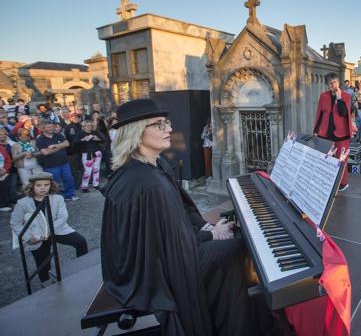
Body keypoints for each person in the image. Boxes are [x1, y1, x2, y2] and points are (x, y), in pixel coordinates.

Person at [101, 99, 271, 336]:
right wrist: (209, 234)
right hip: (153, 272)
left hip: (144, 260)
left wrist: (207, 229)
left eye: (167, 123)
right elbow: (171, 247)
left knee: (233, 238)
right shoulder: (149, 184)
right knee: (240, 248)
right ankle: (239, 326)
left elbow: (177, 219)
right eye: (159, 125)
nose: (169, 129)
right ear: (137, 133)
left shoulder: (152, 166)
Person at [10, 172, 88, 285]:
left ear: (51, 185)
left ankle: (83, 269)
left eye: (46, 185)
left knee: (80, 241)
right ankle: (47, 285)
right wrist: (28, 238)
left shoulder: (57, 199)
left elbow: (63, 217)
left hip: (57, 230)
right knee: (43, 264)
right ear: (32, 186)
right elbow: (15, 223)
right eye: (39, 185)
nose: (43, 188)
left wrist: (49, 230)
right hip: (36, 236)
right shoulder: (22, 203)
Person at [313, 73, 354, 191]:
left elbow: (343, 113)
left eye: (335, 82)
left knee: (341, 159)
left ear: (338, 82)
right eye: (331, 83)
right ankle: (328, 182)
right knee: (327, 158)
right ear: (327, 85)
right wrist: (316, 130)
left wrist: (339, 97)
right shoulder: (323, 96)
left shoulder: (346, 96)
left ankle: (343, 183)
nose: (333, 85)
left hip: (342, 133)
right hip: (325, 133)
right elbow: (319, 113)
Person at [35, 119, 78, 201]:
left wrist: (55, 146)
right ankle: (57, 198)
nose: (51, 128)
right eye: (49, 127)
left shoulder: (58, 135)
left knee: (69, 179)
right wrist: (60, 146)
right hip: (51, 165)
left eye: (52, 126)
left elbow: (67, 143)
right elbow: (45, 152)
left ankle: (70, 195)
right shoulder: (40, 139)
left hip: (64, 162)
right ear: (43, 129)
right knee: (55, 182)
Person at [73, 120, 103, 192]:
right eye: (87, 126)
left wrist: (97, 139)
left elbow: (102, 140)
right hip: (86, 154)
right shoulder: (80, 134)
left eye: (90, 125)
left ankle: (96, 184)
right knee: (87, 171)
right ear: (84, 127)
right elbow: (75, 142)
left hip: (97, 153)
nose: (89, 127)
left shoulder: (94, 133)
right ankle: (84, 186)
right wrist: (83, 139)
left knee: (96, 169)